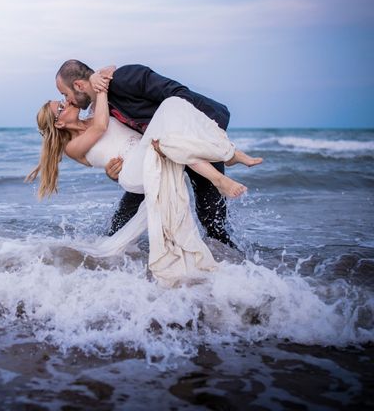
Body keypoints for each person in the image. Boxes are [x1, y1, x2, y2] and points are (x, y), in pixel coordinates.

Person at [25, 85, 262, 285]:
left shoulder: (94, 113)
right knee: (163, 130)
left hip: (147, 156)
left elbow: (99, 99)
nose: (66, 103)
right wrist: (100, 89)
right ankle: (227, 162)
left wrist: (101, 80)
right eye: (61, 107)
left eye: (64, 100)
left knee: (172, 108)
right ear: (58, 124)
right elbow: (100, 127)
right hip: (132, 174)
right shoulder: (72, 146)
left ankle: (223, 165)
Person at [55, 60, 240, 246]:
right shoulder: (102, 109)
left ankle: (236, 268)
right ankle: (115, 268)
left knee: (213, 221)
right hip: (156, 158)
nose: (67, 100)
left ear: (78, 85)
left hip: (196, 140)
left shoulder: (125, 78)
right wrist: (114, 174)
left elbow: (179, 95)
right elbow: (125, 145)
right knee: (119, 224)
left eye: (65, 94)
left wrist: (180, 140)